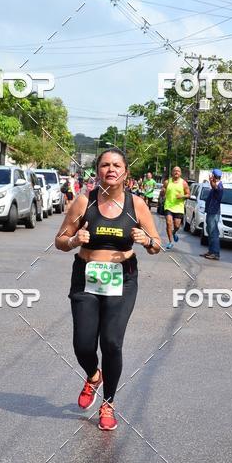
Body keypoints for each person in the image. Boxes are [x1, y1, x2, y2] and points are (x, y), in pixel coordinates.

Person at [55, 148, 161, 431]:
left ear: (125, 172)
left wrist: (146, 239)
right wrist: (75, 239)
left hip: (122, 279)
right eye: (104, 165)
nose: (110, 169)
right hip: (86, 278)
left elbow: (157, 245)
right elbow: (60, 240)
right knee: (83, 344)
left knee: (112, 342)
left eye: (116, 165)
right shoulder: (83, 202)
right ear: (98, 170)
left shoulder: (137, 205)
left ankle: (108, 403)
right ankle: (93, 375)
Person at [162, 166, 190, 249]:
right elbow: (162, 194)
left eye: (178, 171)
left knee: (177, 225)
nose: (176, 172)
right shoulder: (167, 182)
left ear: (180, 173)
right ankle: (170, 242)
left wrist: (182, 196)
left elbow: (188, 195)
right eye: (175, 171)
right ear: (172, 173)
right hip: (168, 206)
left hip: (179, 207)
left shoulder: (184, 183)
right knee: (168, 223)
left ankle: (174, 232)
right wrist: (162, 192)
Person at [201, 168, 224, 261]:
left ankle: (215, 253)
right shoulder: (217, 185)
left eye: (212, 176)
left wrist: (211, 181)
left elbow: (215, 187)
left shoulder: (219, 186)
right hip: (211, 212)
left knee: (214, 232)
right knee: (210, 231)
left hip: (214, 213)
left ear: (214, 176)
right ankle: (211, 251)